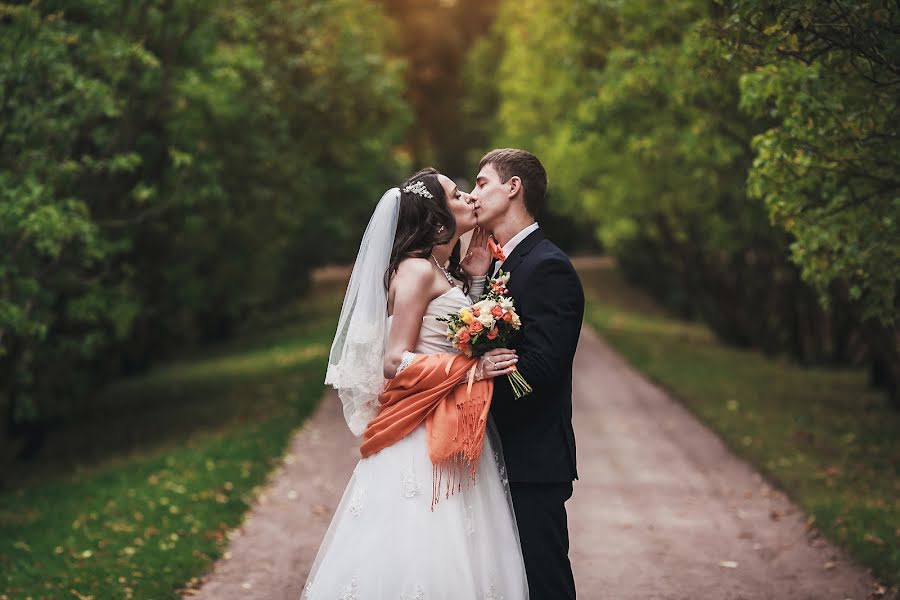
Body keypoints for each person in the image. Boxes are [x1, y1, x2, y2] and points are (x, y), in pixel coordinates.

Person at [302, 168, 529, 599]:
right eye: (457, 194)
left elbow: (449, 332)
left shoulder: (439, 270)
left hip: (450, 421)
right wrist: (471, 371)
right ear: (439, 219)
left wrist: (477, 278)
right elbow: (394, 360)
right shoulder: (416, 270)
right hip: (421, 435)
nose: (469, 198)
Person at [468, 149, 585, 599]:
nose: (473, 193)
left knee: (543, 584)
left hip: (530, 460)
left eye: (482, 183)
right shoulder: (499, 265)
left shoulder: (548, 266)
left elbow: (539, 371)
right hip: (494, 457)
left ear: (513, 187)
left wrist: (469, 387)